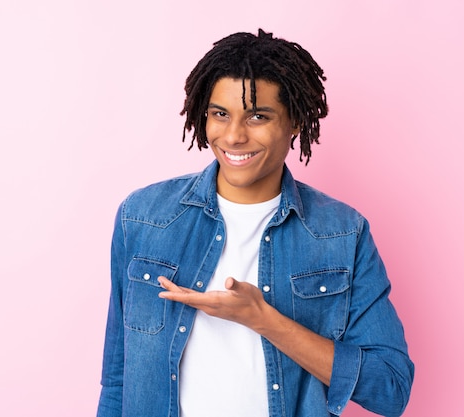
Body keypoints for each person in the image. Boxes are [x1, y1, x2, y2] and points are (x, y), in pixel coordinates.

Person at [96, 29, 414, 417]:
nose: (233, 136)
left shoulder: (342, 234)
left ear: (295, 122)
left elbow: (391, 388)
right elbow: (117, 381)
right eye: (220, 114)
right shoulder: (144, 217)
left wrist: (263, 319)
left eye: (258, 116)